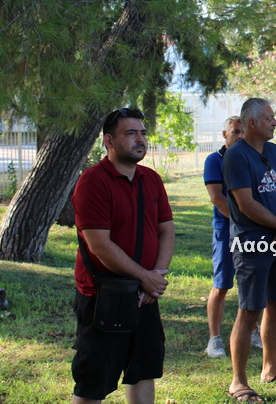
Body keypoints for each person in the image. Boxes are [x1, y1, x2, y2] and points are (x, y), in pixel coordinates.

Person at [71, 108, 175, 404]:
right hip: (103, 297)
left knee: (143, 372)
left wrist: (156, 277)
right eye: (130, 133)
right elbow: (99, 245)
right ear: (109, 141)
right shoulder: (93, 181)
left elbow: (166, 230)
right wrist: (145, 278)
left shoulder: (151, 179)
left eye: (142, 133)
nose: (140, 139)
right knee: (94, 381)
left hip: (145, 295)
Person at [224, 98, 276, 403]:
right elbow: (246, 204)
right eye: (270, 118)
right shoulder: (236, 155)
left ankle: (270, 368)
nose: (275, 122)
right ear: (253, 122)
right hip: (251, 243)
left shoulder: (273, 150)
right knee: (249, 311)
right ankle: (238, 382)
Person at [204, 116, 261, 358]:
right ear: (225, 134)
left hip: (253, 228)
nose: (240, 136)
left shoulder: (252, 157)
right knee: (222, 283)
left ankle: (253, 330)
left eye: (243, 131)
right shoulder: (214, 160)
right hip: (226, 228)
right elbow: (217, 198)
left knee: (253, 282)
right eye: (235, 131)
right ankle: (214, 339)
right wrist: (243, 220)